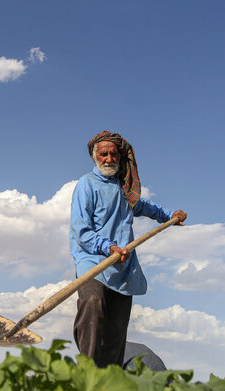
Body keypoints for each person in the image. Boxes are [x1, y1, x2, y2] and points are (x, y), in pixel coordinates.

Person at [70, 130, 186, 368]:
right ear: (94, 157)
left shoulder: (125, 189)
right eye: (104, 155)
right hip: (93, 264)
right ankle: (86, 377)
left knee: (116, 330)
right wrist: (108, 247)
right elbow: (81, 230)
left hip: (122, 267)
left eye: (114, 154)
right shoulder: (87, 185)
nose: (109, 159)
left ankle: (110, 385)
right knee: (92, 305)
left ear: (120, 158)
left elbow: (144, 206)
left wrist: (168, 217)